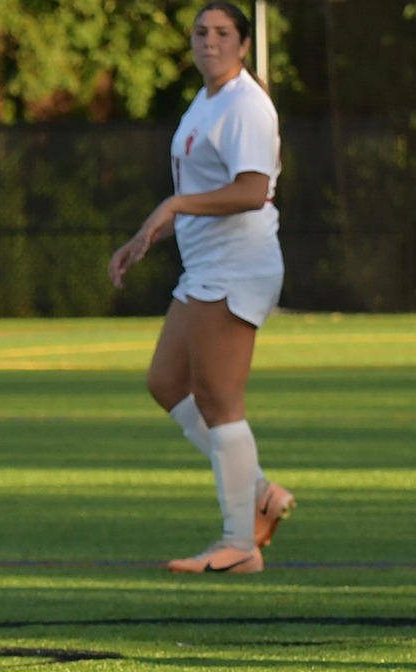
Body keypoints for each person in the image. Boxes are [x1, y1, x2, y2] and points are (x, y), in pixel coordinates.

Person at [109, 0, 293, 574]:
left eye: (221, 33)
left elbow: (252, 190)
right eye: (200, 31)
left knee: (219, 402)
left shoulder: (246, 105)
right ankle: (259, 491)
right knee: (165, 382)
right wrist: (151, 231)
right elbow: (200, 187)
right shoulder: (207, 100)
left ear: (242, 44)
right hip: (206, 268)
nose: (208, 41)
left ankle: (239, 544)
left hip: (239, 266)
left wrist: (175, 204)